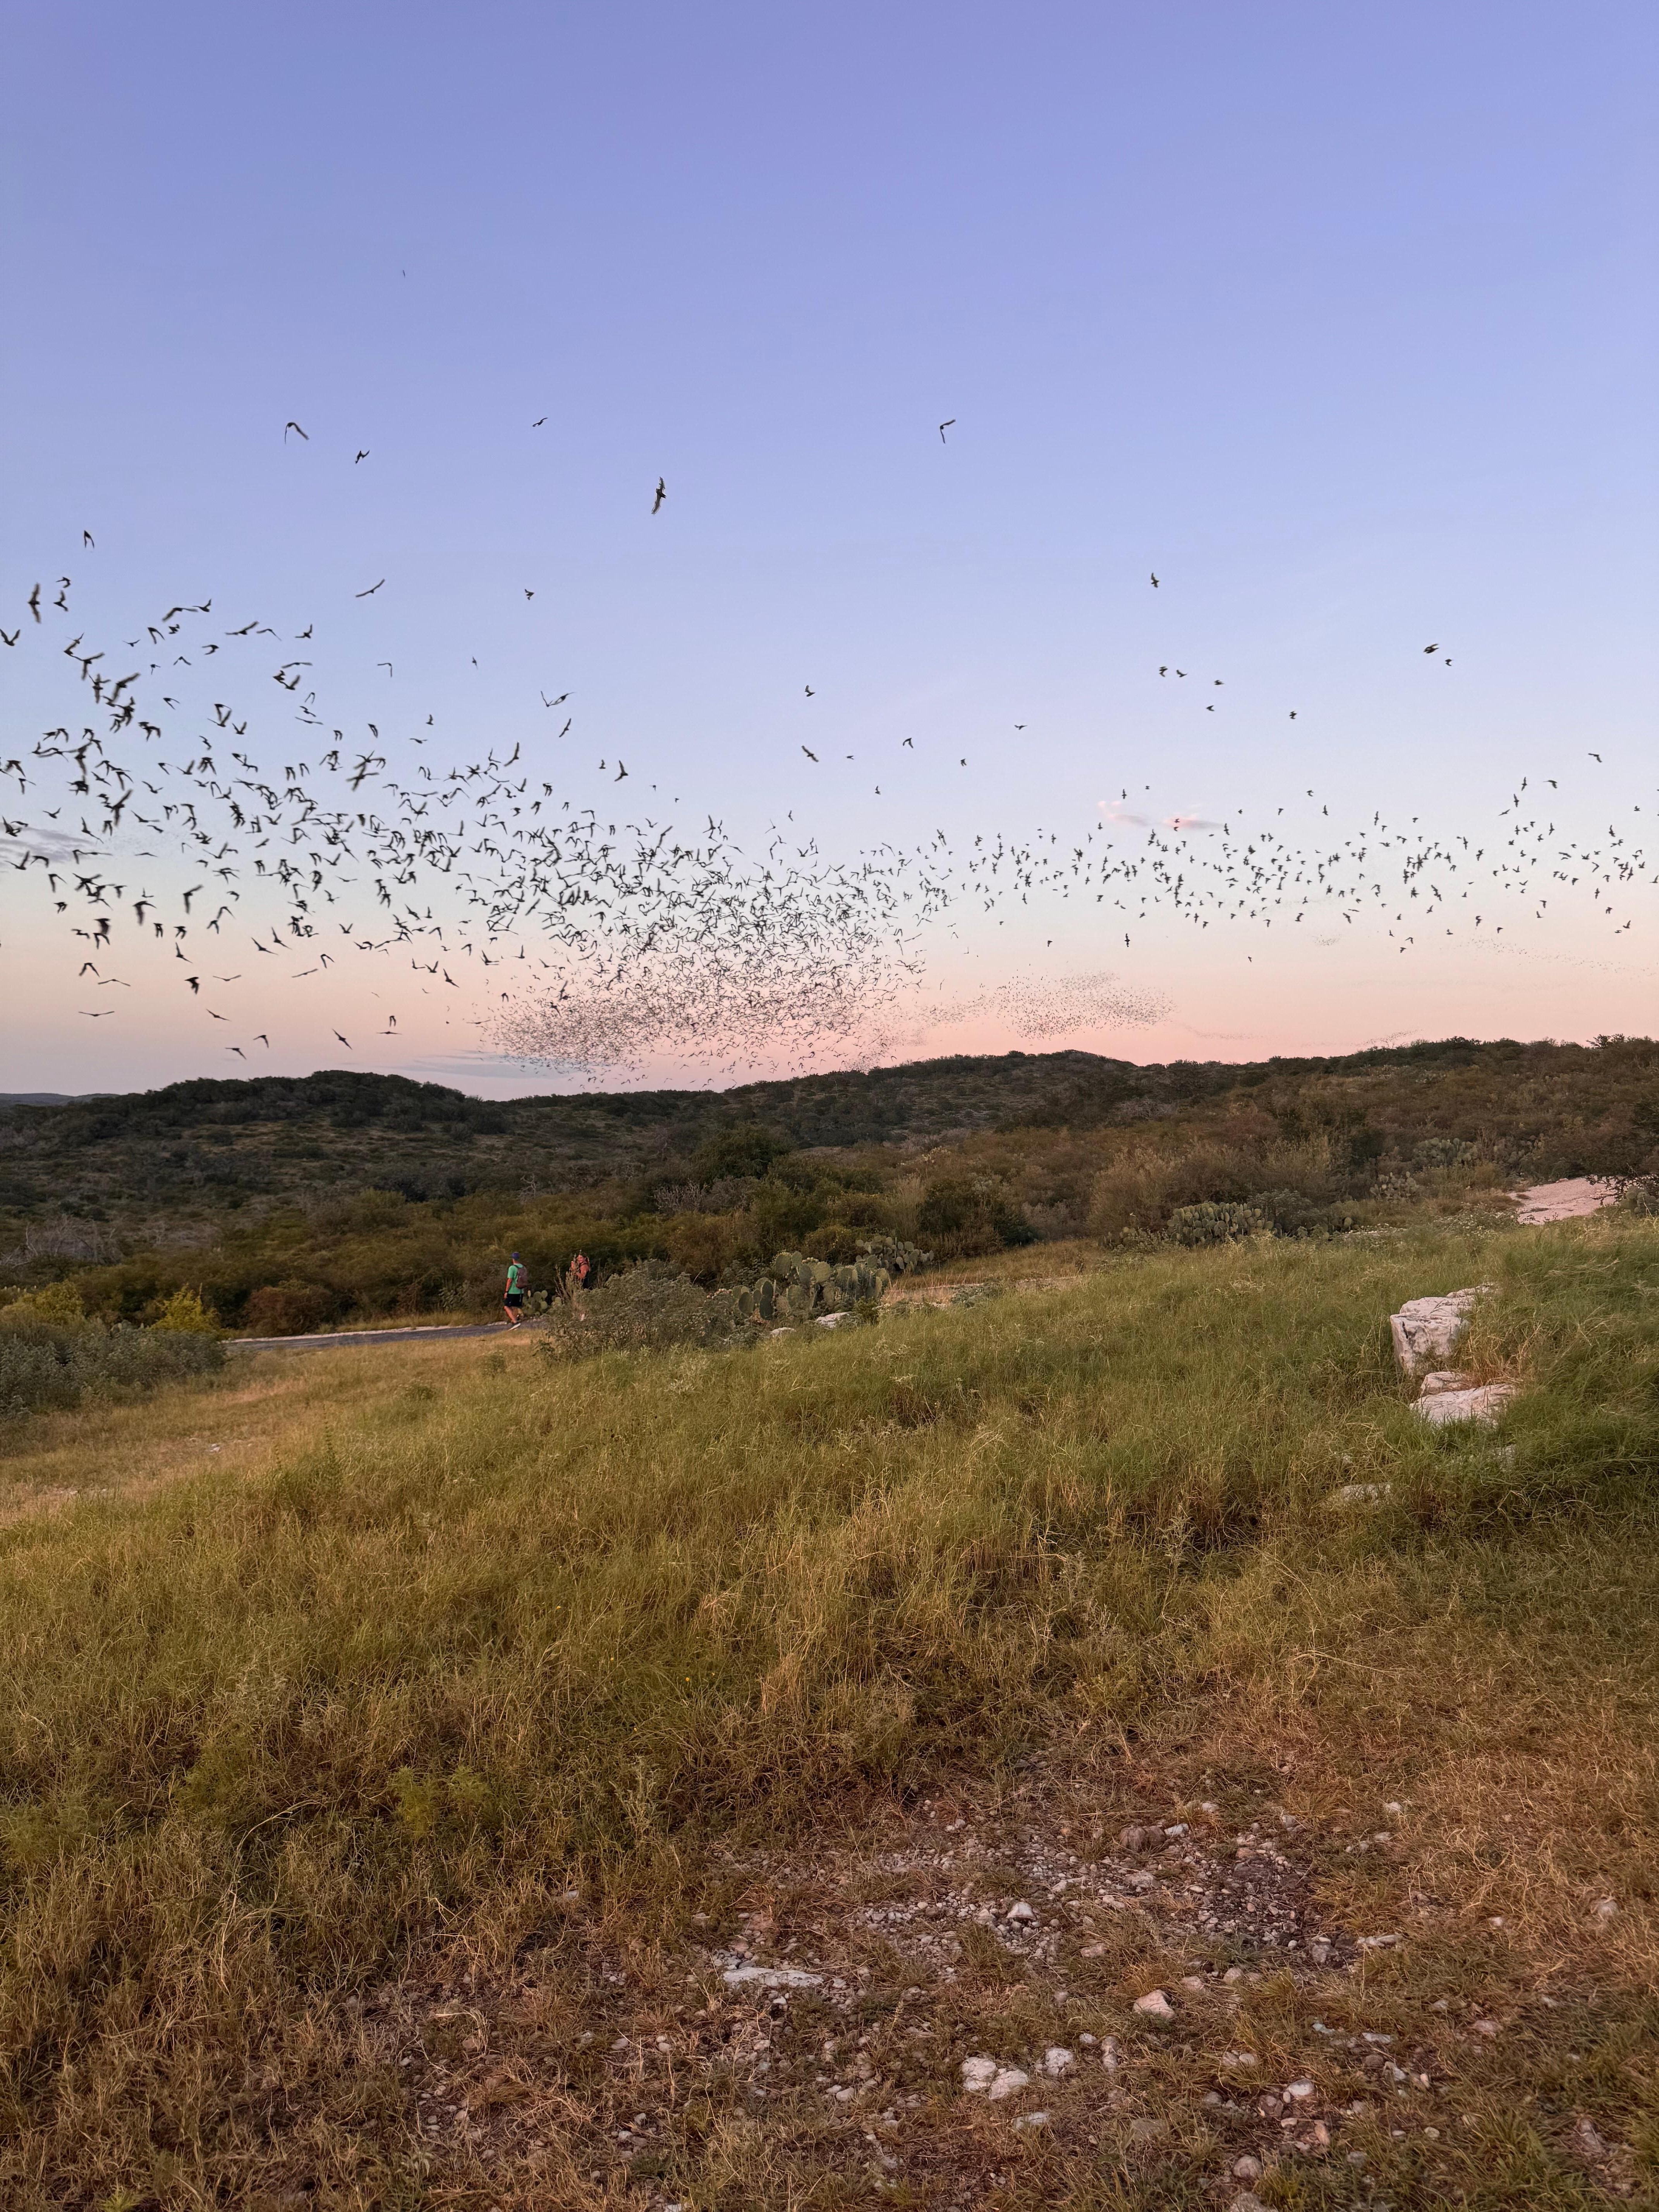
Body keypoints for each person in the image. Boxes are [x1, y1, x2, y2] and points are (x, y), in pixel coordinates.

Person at [503, 1253, 528, 1325]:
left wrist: (507, 1291)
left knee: (506, 1306)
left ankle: (515, 1321)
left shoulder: (512, 1268)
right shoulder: (523, 1267)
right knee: (515, 1307)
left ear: (513, 1259)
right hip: (521, 1291)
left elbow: (510, 1280)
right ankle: (515, 1321)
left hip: (513, 1291)